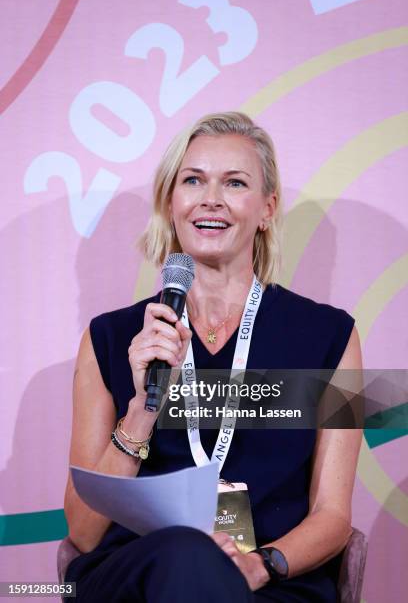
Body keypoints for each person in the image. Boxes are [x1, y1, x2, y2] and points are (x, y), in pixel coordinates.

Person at [63, 112, 363, 602]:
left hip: (266, 581)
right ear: (171, 201)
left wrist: (259, 565)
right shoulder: (109, 338)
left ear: (267, 209)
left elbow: (334, 515)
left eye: (235, 183)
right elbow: (84, 530)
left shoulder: (333, 337)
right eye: (193, 180)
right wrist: (141, 413)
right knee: (184, 555)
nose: (210, 199)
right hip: (139, 578)